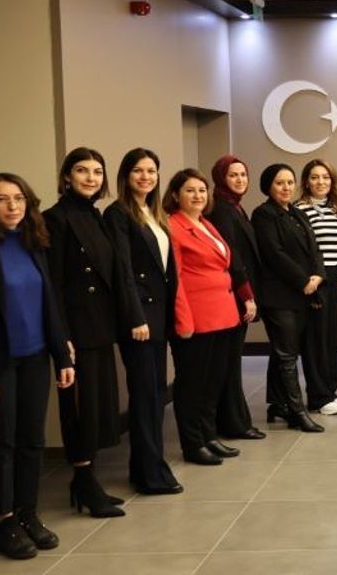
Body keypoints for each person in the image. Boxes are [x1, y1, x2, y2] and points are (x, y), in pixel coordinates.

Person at [0, 174, 75, 559]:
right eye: (2, 199)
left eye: (18, 198)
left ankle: (26, 513)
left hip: (35, 358)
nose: (12, 206)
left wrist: (62, 354)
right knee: (0, 442)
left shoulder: (33, 242)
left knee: (31, 440)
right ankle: (3, 522)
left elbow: (49, 304)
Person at [43, 147, 126, 517]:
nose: (91, 178)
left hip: (100, 326)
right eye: (82, 170)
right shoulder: (55, 219)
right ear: (67, 176)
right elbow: (54, 285)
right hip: (75, 331)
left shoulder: (95, 215)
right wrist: (62, 338)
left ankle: (86, 480)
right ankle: (84, 480)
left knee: (97, 407)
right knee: (80, 409)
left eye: (97, 171)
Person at [102, 148, 182, 494]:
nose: (146, 177)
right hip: (140, 319)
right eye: (138, 170)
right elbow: (122, 270)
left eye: (151, 170)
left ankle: (144, 468)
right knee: (146, 395)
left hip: (159, 316)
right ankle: (151, 474)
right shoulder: (118, 213)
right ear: (125, 175)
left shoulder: (154, 212)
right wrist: (135, 316)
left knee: (154, 393)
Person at [165, 169, 258, 464]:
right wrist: (183, 320)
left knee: (213, 382)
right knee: (193, 383)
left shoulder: (206, 223)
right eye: (190, 190)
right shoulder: (174, 227)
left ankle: (209, 436)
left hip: (224, 316)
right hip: (197, 319)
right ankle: (193, 444)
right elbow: (176, 279)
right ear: (176, 195)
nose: (198, 196)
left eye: (202, 190)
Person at [252, 164, 326, 432]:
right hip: (279, 296)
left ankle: (278, 403)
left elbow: (314, 248)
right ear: (268, 186)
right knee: (287, 356)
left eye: (290, 182)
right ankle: (297, 412)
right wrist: (303, 280)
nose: (286, 187)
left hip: (302, 294)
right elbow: (275, 254)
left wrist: (318, 275)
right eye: (279, 183)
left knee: (283, 350)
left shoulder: (296, 212)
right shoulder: (263, 215)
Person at [205, 155, 264, 440]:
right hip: (234, 295)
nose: (240, 180)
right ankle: (233, 423)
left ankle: (235, 420)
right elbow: (232, 257)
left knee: (231, 361)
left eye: (243, 174)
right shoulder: (221, 210)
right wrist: (247, 295)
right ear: (221, 178)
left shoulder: (235, 207)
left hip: (238, 293)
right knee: (228, 363)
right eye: (233, 175)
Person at [295, 158, 337, 416]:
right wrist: (312, 279)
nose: (321, 182)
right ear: (306, 181)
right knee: (315, 339)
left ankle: (330, 390)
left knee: (330, 337)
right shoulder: (299, 210)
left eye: (326, 177)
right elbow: (301, 251)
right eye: (315, 177)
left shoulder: (333, 209)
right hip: (314, 279)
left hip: (332, 277)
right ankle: (317, 397)